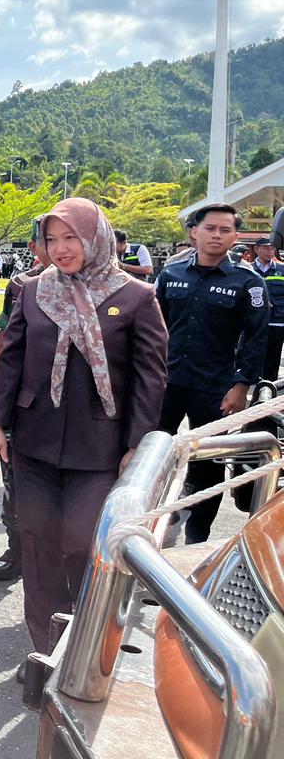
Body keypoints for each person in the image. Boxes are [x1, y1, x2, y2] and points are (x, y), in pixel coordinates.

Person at [0, 199, 167, 671]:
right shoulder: (33, 290)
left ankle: (85, 645)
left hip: (100, 448)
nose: (60, 249)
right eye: (52, 239)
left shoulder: (136, 296)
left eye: (71, 238)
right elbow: (10, 359)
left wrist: (137, 445)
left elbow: (149, 378)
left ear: (95, 238)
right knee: (38, 542)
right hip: (34, 442)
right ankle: (47, 650)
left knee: (83, 544)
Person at [156, 203, 269, 544]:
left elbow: (256, 338)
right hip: (167, 382)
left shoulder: (248, 282)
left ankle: (197, 534)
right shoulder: (171, 275)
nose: (217, 235)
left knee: (208, 462)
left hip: (215, 387)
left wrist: (242, 385)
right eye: (210, 228)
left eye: (225, 230)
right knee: (154, 453)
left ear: (235, 236)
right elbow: (154, 329)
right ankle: (152, 520)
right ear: (195, 232)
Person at [0, 216, 48, 583]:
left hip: (75, 411)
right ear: (34, 247)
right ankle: (17, 550)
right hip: (23, 401)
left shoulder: (109, 289)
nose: (59, 248)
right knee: (14, 479)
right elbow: (3, 341)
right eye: (49, 240)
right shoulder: (23, 286)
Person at [250, 237, 284, 382]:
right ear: (256, 249)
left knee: (273, 357)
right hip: (252, 323)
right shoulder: (248, 270)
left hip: (276, 322)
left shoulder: (282, 270)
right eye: (265, 248)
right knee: (251, 354)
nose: (270, 251)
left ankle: (268, 386)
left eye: (272, 248)